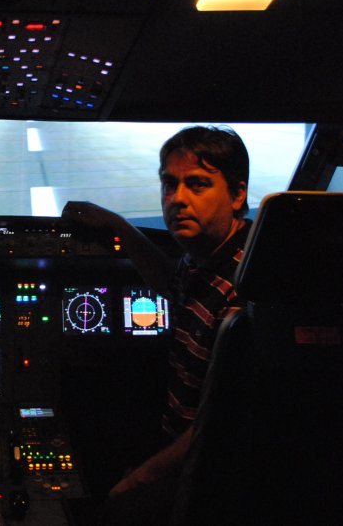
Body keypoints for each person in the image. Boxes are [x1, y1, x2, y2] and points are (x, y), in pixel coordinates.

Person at [62, 125, 251, 525]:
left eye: (197, 184)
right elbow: (170, 283)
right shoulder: (203, 257)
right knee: (85, 436)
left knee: (111, 514)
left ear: (237, 195)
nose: (177, 199)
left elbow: (219, 424)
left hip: (213, 465)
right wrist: (117, 224)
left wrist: (138, 479)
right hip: (178, 434)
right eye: (169, 184)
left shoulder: (245, 292)